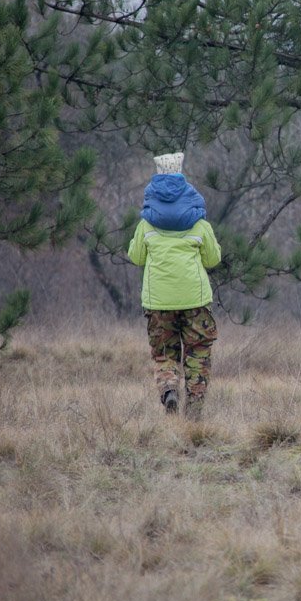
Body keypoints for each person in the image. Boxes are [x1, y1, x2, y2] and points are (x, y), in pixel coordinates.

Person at [127, 151, 222, 419]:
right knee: (198, 353)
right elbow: (213, 258)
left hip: (158, 301)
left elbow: (136, 258)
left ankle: (169, 389)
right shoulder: (199, 221)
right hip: (195, 299)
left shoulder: (146, 223)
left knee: (165, 352)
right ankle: (194, 410)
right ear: (183, 180)